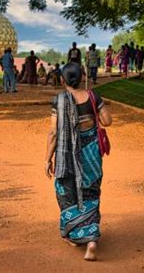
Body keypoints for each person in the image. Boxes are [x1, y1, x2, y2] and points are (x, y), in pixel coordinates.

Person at [45, 62, 112, 261]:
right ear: (82, 77)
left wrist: (47, 159)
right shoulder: (93, 97)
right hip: (91, 154)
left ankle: (73, 234)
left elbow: (54, 133)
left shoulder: (59, 101)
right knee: (90, 191)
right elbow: (107, 121)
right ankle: (91, 241)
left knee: (66, 192)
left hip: (66, 156)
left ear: (63, 80)